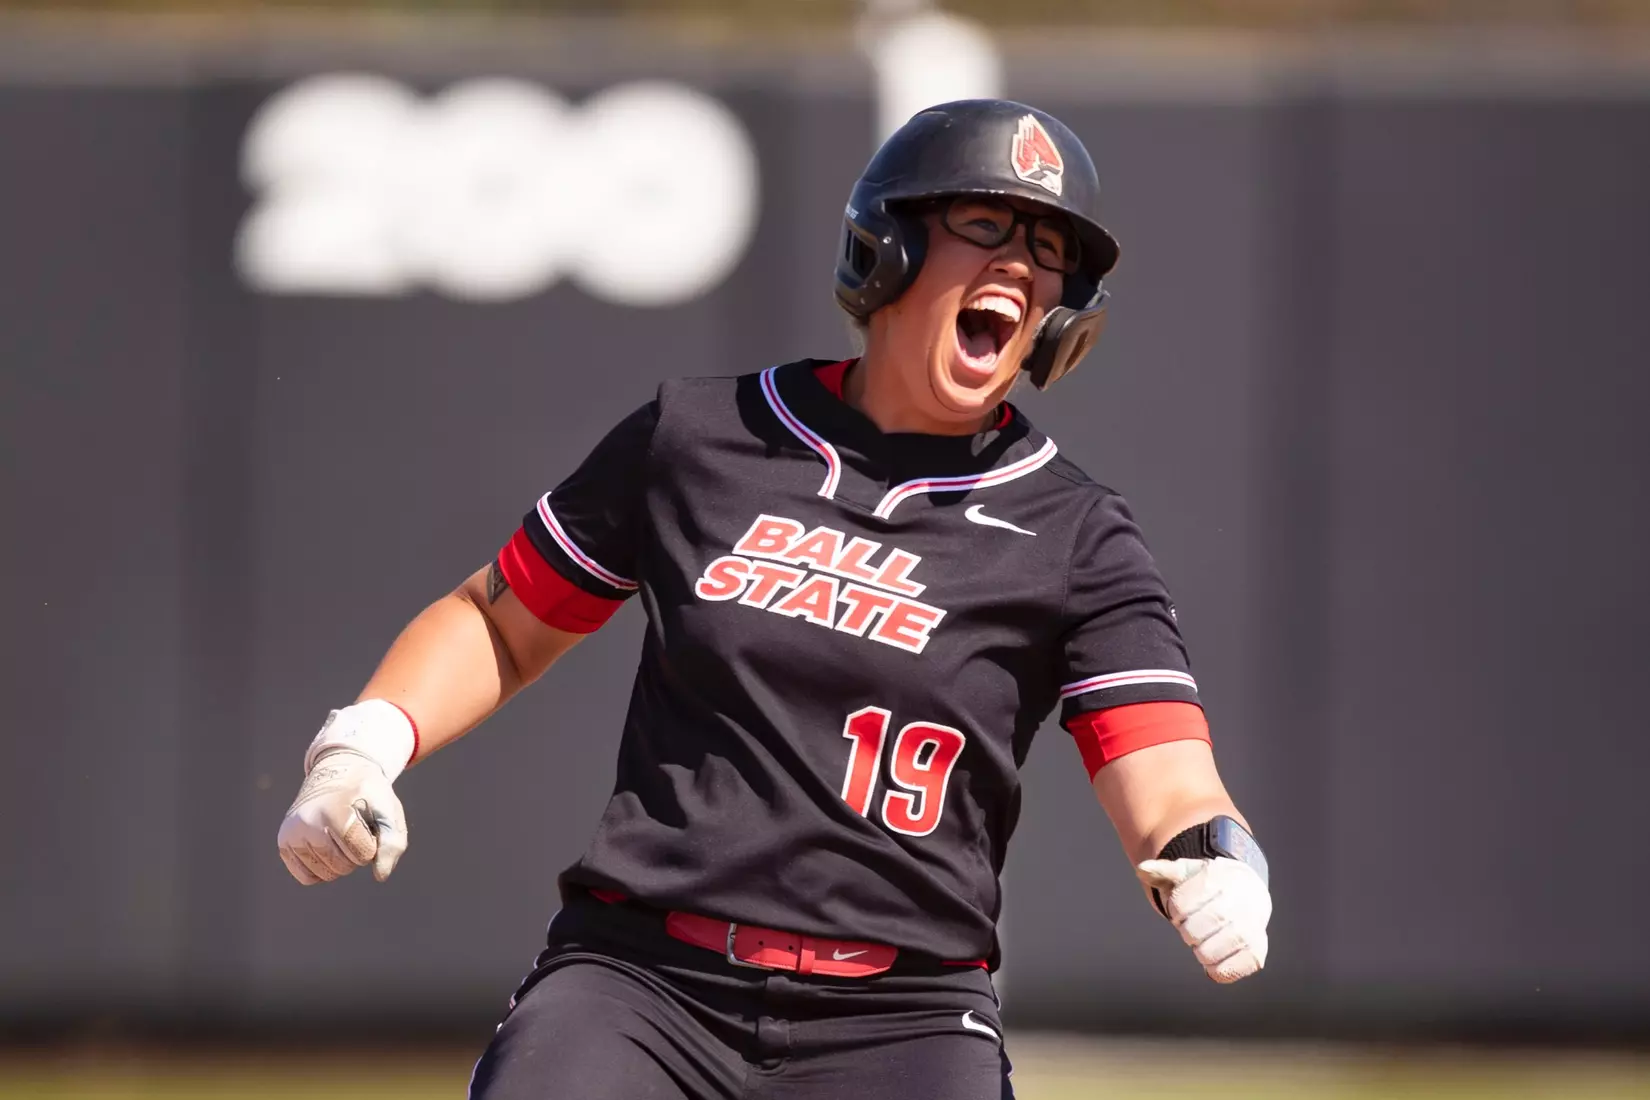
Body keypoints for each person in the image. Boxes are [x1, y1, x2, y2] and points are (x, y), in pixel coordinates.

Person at [276, 99, 1272, 1100]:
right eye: (984, 225)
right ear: (887, 246)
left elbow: (1170, 780)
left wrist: (1219, 861)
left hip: (905, 1012)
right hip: (645, 980)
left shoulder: (1074, 531)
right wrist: (363, 742)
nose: (1018, 262)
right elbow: (500, 616)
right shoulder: (704, 435)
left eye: (1050, 247)